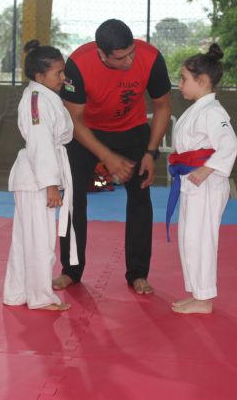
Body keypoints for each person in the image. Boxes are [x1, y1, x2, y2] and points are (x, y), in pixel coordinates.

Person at [54, 19, 172, 295]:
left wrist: (150, 152)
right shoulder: (79, 64)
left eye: (131, 53)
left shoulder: (150, 58)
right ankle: (71, 269)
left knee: (141, 197)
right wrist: (107, 157)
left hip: (133, 132)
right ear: (101, 54)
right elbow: (74, 120)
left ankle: (138, 273)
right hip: (87, 133)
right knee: (73, 198)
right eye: (121, 58)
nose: (129, 61)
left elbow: (163, 106)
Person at [2, 39, 75, 311]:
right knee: (40, 241)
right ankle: (40, 297)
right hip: (37, 180)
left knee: (25, 239)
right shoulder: (37, 101)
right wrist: (51, 185)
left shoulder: (42, 97)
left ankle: (17, 293)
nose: (63, 77)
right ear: (40, 76)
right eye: (58, 73)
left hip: (34, 177)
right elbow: (40, 143)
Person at [167, 44, 237, 314]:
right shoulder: (199, 108)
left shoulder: (213, 112)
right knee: (190, 239)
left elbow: (230, 144)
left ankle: (205, 299)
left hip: (206, 184)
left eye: (184, 78)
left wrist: (206, 169)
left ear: (202, 81)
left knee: (202, 240)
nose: (180, 84)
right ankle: (198, 293)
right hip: (192, 182)